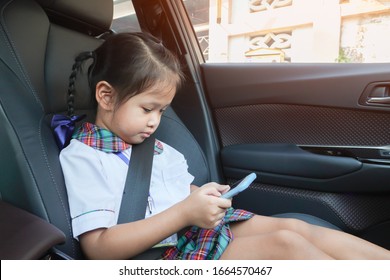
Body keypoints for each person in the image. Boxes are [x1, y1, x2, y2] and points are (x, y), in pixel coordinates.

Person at [58, 32, 390, 260]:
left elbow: (173, 189)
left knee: (296, 228)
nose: (155, 121)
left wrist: (200, 197)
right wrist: (185, 213)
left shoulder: (153, 147)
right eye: (148, 109)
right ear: (105, 95)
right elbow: (99, 248)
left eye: (162, 111)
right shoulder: (85, 158)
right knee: (286, 244)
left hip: (190, 231)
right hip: (160, 257)